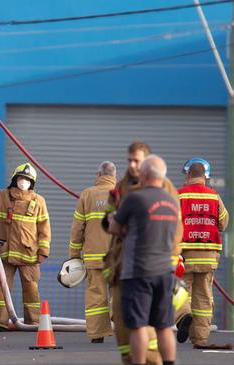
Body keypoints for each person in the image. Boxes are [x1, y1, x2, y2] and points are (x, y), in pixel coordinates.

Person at [102, 141, 190, 365]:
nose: (132, 165)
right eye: (129, 160)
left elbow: (174, 228)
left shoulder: (163, 189)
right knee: (125, 323)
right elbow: (108, 219)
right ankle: (130, 358)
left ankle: (150, 361)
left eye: (137, 161)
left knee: (143, 325)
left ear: (147, 163)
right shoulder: (121, 188)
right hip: (124, 264)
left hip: (142, 267)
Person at [0, 162, 51, 331]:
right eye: (21, 178)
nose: (24, 182)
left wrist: (43, 251)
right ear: (15, 179)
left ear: (32, 183)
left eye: (27, 180)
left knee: (31, 290)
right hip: (6, 253)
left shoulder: (39, 201)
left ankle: (33, 322)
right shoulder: (3, 196)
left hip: (29, 256)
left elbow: (44, 228)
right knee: (1, 288)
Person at [177, 158, 230, 349]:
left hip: (185, 256)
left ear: (189, 175)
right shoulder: (214, 197)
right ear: (205, 177)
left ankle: (183, 316)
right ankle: (200, 339)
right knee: (204, 298)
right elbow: (224, 222)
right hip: (208, 257)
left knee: (177, 290)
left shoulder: (179, 196)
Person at [68, 161, 117, 343]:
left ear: (98, 175)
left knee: (96, 296)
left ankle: (97, 335)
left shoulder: (87, 195)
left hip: (94, 257)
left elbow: (77, 228)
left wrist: (74, 254)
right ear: (114, 176)